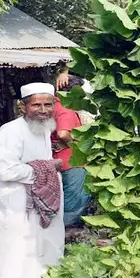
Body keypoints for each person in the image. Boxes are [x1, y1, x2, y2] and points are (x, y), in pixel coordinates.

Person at [0, 83, 65, 278]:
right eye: (36, 105)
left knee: (43, 247)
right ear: (23, 107)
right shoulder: (11, 131)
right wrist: (48, 167)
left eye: (48, 105)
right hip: (16, 204)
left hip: (41, 202)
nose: (43, 110)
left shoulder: (45, 128)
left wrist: (45, 169)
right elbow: (7, 170)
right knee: (15, 254)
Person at [53, 79, 92, 227]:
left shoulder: (52, 106)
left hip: (59, 160)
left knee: (62, 199)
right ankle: (64, 234)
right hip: (71, 161)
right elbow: (63, 133)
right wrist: (76, 143)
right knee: (74, 201)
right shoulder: (65, 109)